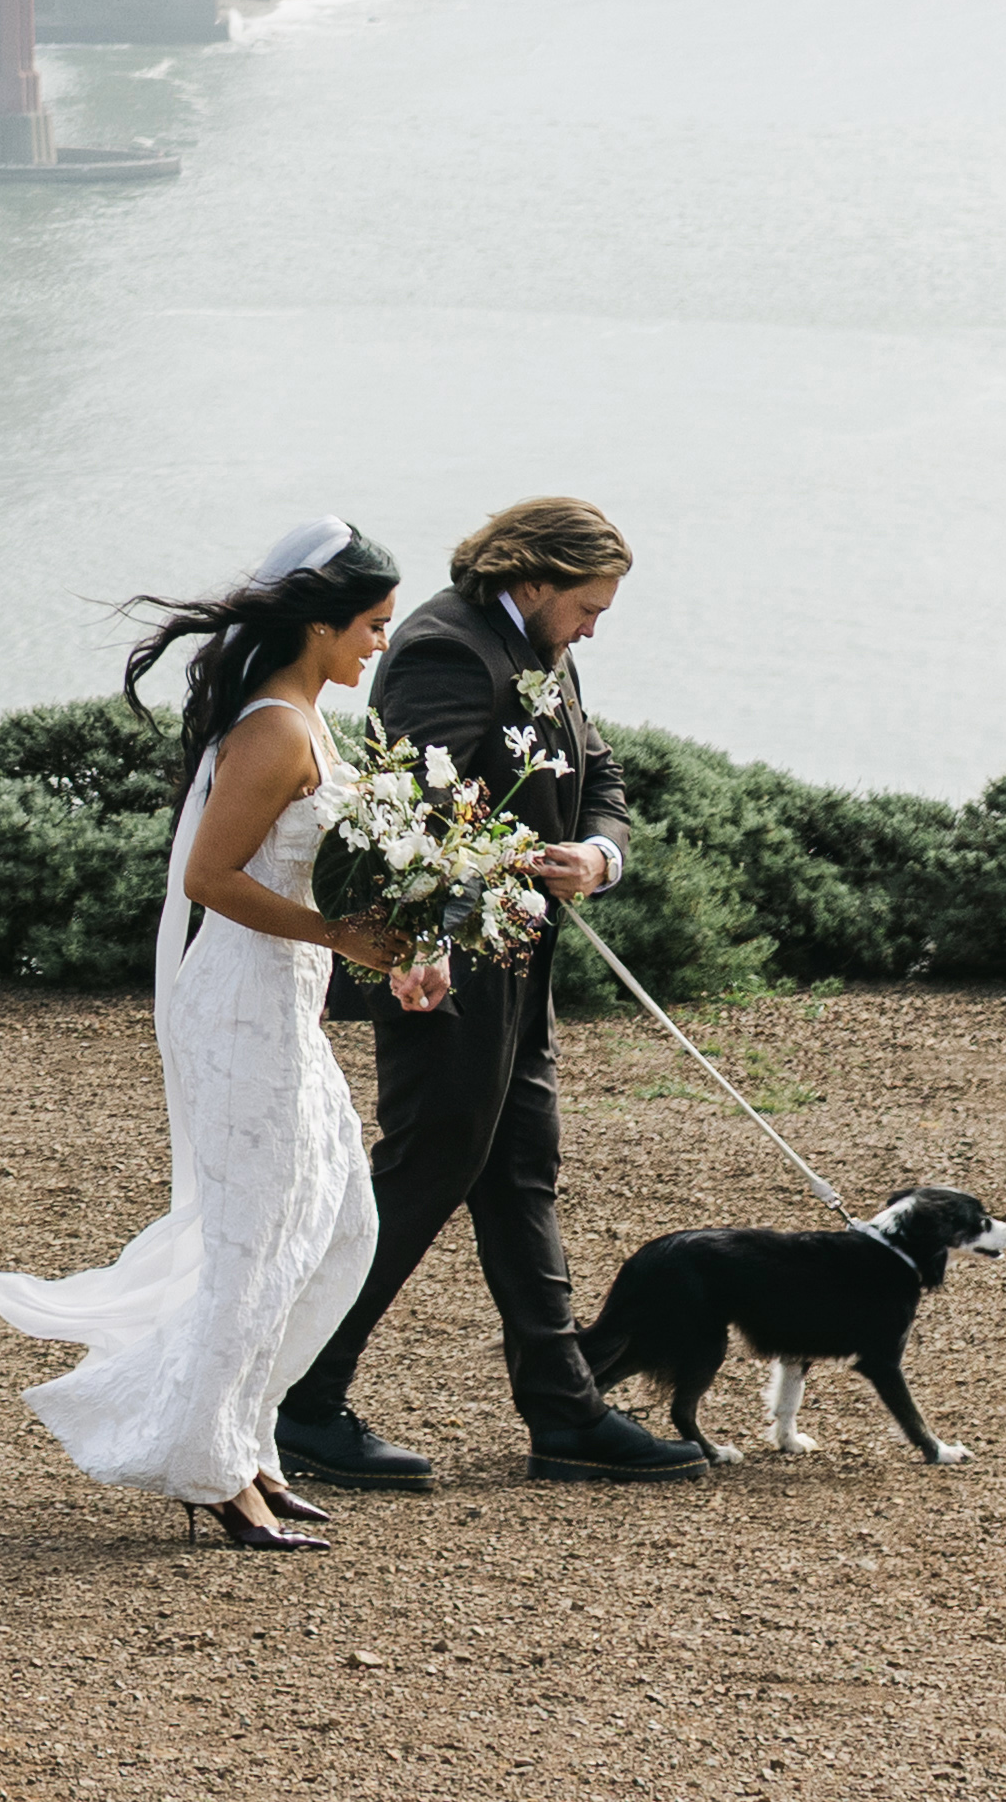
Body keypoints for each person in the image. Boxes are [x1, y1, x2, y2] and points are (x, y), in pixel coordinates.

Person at [0, 518, 431, 1552]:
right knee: (254, 1236)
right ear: (317, 624)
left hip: (286, 999)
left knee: (337, 1223)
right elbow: (210, 881)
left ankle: (247, 1438)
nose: (379, 646)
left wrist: (409, 937)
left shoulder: (316, 719)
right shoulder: (273, 728)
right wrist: (337, 933)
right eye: (370, 626)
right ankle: (214, 1470)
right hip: (239, 1001)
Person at [276, 494, 713, 1494]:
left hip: (518, 961)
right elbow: (412, 817)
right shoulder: (442, 648)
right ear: (533, 579)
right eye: (588, 606)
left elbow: (595, 771)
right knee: (427, 1172)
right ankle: (303, 1397)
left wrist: (598, 855)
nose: (595, 626)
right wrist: (435, 938)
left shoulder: (537, 644)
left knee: (520, 1173)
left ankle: (563, 1415)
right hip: (449, 970)